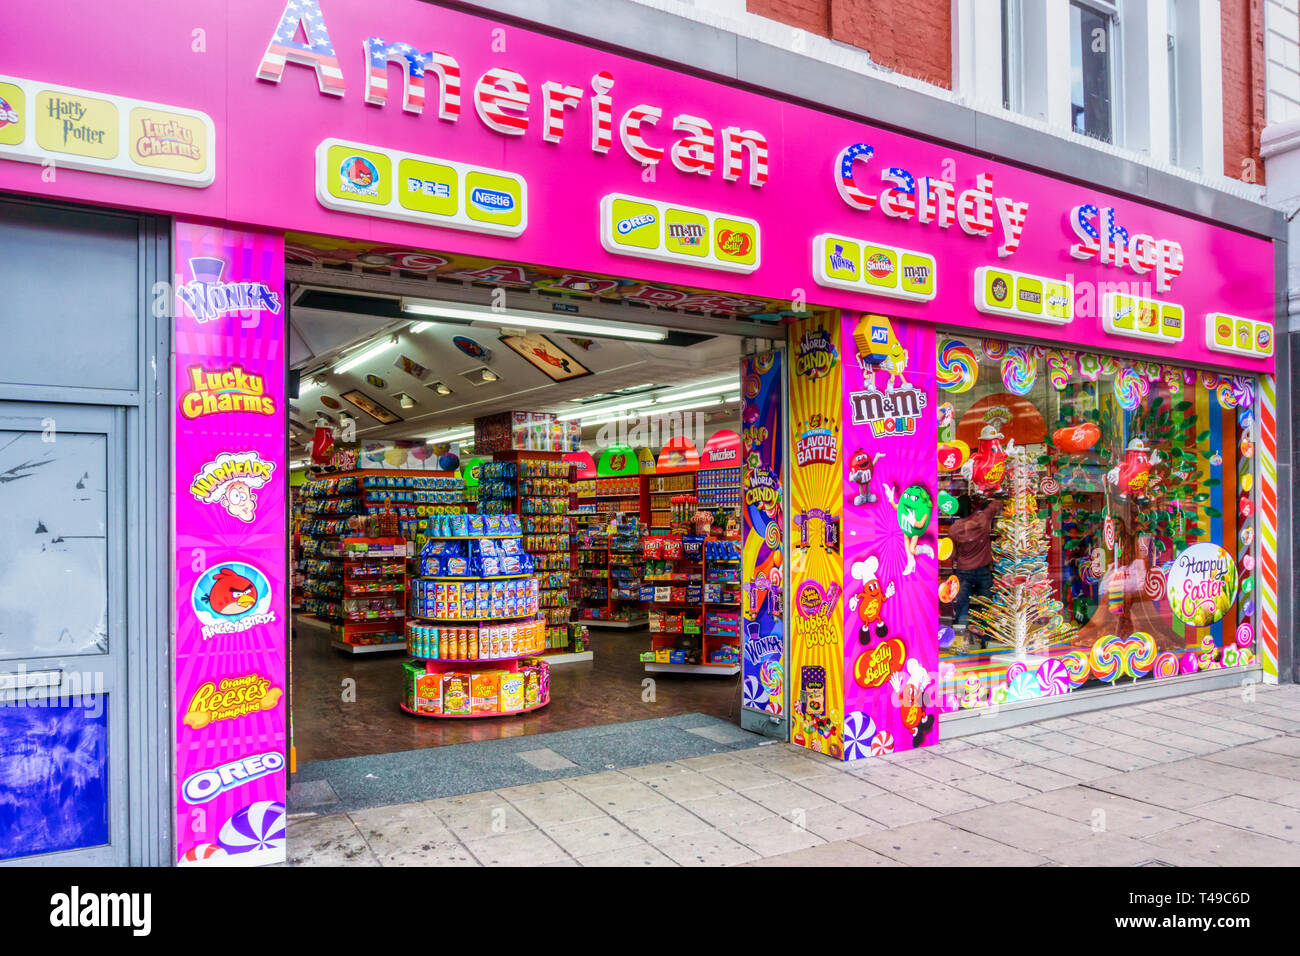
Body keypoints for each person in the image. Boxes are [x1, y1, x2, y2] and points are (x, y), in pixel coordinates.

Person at [948, 492, 1001, 649]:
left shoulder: (954, 529)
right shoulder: (982, 520)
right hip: (983, 570)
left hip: (963, 571)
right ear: (971, 508)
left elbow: (954, 553)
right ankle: (985, 642)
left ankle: (960, 644)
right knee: (985, 607)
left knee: (962, 607)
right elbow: (996, 505)